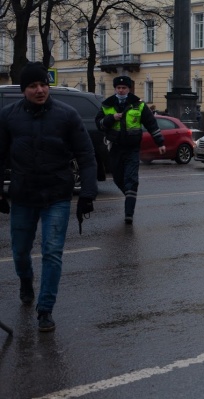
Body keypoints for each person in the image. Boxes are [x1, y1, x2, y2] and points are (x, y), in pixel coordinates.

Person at [0, 62, 98, 332]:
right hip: (22, 195)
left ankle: (45, 309)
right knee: (20, 252)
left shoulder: (67, 115)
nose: (40, 90)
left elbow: (86, 156)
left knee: (52, 252)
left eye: (44, 84)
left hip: (56, 194)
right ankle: (25, 280)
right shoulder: (9, 116)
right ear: (24, 90)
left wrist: (88, 193)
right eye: (33, 86)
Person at [95, 75, 165, 224]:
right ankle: (129, 195)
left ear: (129, 89)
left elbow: (151, 124)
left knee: (131, 180)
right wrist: (111, 118)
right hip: (114, 148)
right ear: (115, 89)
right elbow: (99, 124)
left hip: (132, 148)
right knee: (117, 178)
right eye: (118, 88)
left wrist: (160, 143)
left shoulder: (138, 104)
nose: (121, 91)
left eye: (124, 88)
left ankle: (129, 214)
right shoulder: (107, 105)